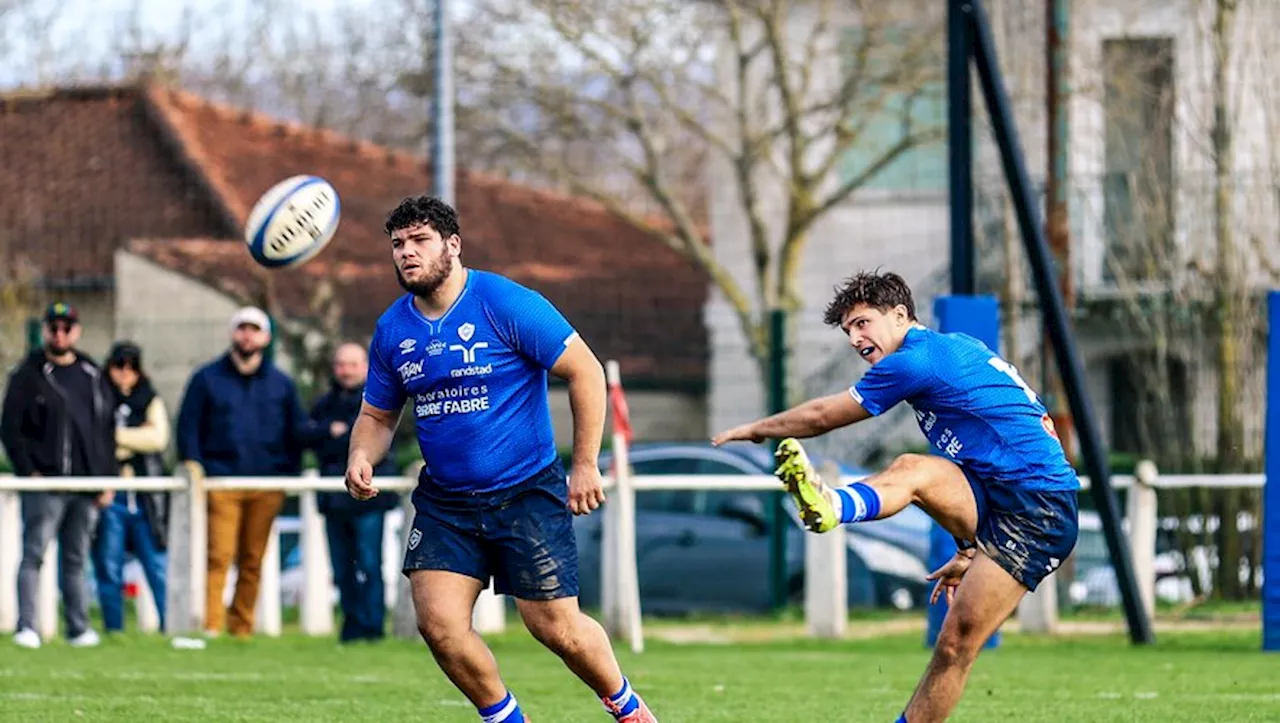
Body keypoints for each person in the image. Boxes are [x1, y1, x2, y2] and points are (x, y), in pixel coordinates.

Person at [712, 271, 1079, 723]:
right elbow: (990, 452)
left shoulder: (913, 361)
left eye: (863, 323)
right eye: (848, 330)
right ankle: (835, 505)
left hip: (1037, 511)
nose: (855, 338)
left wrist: (756, 429)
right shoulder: (949, 348)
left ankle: (833, 505)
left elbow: (826, 414)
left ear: (901, 315)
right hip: (1001, 496)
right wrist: (970, 544)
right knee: (914, 470)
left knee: (954, 645)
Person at [344, 195, 657, 723]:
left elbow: (585, 371)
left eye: (419, 241)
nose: (406, 254)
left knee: (554, 627)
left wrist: (584, 464)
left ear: (453, 245)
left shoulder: (505, 302)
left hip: (525, 490)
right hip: (447, 501)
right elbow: (377, 415)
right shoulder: (393, 330)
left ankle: (629, 710)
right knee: (439, 625)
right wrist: (360, 456)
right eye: (398, 245)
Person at [177, 306, 307, 638]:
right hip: (221, 482)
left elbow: (296, 431)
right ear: (233, 333)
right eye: (241, 328)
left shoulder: (281, 384)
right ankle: (211, 626)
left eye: (254, 329)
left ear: (265, 337)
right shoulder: (206, 378)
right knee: (218, 556)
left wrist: (288, 472)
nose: (247, 335)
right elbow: (188, 428)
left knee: (253, 560)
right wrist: (196, 467)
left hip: (267, 484)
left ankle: (241, 629)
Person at [1, 302, 116, 649]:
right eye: (55, 327)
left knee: (76, 559)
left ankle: (78, 628)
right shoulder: (29, 374)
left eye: (67, 327)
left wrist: (107, 478)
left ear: (77, 332)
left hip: (85, 484)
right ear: (46, 330)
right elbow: (10, 428)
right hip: (47, 483)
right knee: (34, 554)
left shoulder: (92, 374)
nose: (61, 334)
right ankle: (27, 627)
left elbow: (106, 430)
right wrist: (29, 471)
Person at [300, 342, 399, 643]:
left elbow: (382, 443)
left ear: (366, 366)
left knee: (370, 565)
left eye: (353, 364)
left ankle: (373, 628)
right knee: (342, 569)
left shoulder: (381, 401)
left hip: (371, 499)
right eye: (341, 364)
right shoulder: (323, 403)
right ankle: (351, 627)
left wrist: (338, 437)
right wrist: (331, 435)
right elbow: (308, 439)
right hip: (334, 499)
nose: (346, 371)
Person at [92, 341, 170, 634]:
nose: (125, 373)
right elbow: (94, 438)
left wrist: (115, 437)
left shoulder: (150, 399)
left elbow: (158, 439)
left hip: (146, 496)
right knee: (109, 567)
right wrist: (135, 436)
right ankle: (114, 631)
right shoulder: (97, 396)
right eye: (119, 366)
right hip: (112, 494)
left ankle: (170, 627)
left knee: (157, 566)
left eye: (131, 367)